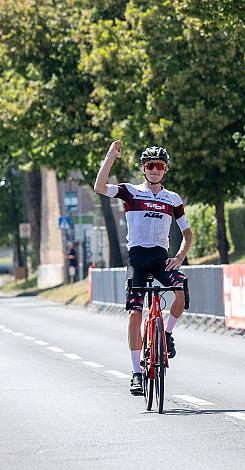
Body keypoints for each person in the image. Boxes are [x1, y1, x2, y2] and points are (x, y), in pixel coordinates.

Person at [94, 140, 193, 396]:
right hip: (137, 260)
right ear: (143, 168)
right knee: (135, 313)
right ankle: (136, 373)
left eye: (159, 166)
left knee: (181, 287)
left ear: (165, 170)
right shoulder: (131, 192)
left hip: (161, 260)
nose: (155, 170)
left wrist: (180, 256)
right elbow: (99, 187)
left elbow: (187, 233)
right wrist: (110, 157)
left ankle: (167, 333)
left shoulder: (173, 199)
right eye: (150, 165)